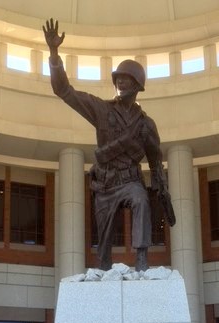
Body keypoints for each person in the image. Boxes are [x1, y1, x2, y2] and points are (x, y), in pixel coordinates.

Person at [42, 18, 175, 272]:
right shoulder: (102, 110)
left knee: (140, 200)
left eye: (126, 80)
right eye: (118, 79)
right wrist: (54, 53)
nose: (120, 83)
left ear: (137, 86)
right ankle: (103, 268)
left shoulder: (146, 124)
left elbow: (156, 160)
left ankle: (142, 261)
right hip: (105, 184)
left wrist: (161, 187)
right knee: (103, 250)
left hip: (130, 181)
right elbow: (64, 91)